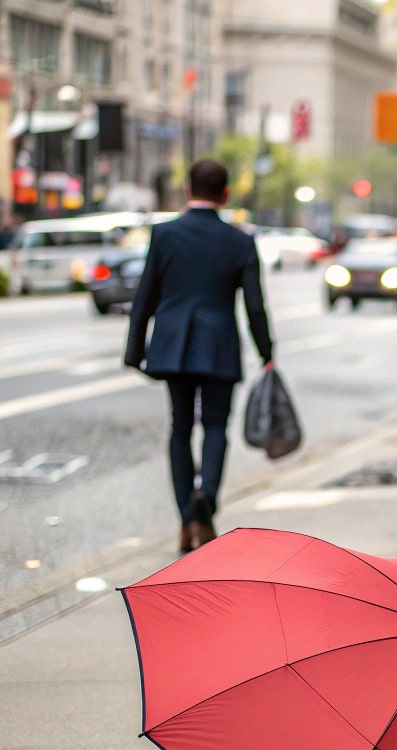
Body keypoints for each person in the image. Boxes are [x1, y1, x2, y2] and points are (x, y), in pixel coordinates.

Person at [124, 158, 274, 554]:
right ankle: (206, 494)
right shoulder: (240, 241)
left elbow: (146, 296)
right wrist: (266, 352)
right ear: (225, 194)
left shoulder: (165, 234)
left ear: (188, 191)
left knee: (179, 427)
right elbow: (255, 306)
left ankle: (186, 515)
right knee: (216, 427)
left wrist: (134, 350)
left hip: (173, 344)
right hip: (219, 344)